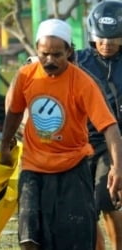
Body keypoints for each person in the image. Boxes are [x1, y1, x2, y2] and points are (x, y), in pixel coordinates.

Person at [0, 18, 122, 250]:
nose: (50, 60)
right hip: (33, 167)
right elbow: (14, 112)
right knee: (29, 237)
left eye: (57, 54)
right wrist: (5, 146)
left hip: (72, 167)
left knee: (74, 239)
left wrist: (118, 167)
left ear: (69, 51)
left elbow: (110, 126)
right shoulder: (26, 76)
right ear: (37, 49)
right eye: (44, 53)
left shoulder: (83, 83)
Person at [76, 1, 122, 249]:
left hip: (114, 143)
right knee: (85, 209)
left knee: (106, 198)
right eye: (101, 38)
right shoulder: (77, 60)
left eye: (114, 38)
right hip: (81, 143)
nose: (107, 43)